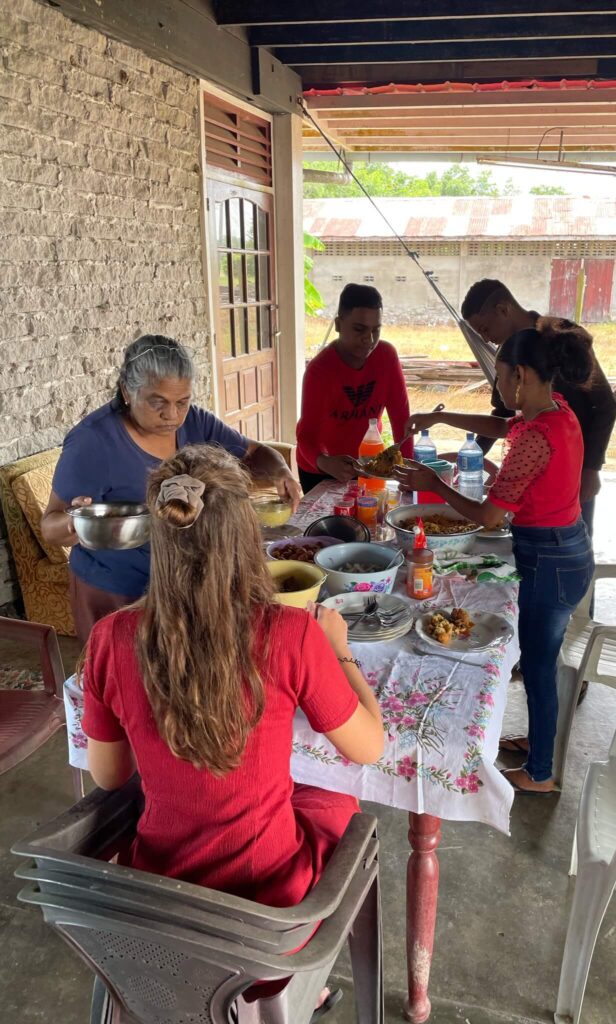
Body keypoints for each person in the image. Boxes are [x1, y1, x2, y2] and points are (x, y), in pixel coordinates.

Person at [81, 445, 384, 1019]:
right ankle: (297, 988)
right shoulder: (290, 632)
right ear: (248, 534)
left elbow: (108, 775)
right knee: (336, 802)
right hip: (270, 922)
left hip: (163, 907)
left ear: (159, 538)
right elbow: (370, 747)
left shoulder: (113, 638)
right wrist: (339, 651)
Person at [396, 320, 595, 794]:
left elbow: (488, 516)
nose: (497, 387)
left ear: (520, 376)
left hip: (551, 561)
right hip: (568, 551)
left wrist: (433, 485)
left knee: (540, 666)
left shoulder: (534, 438)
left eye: (500, 378)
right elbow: (502, 425)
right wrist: (442, 419)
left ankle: (541, 774)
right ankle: (539, 742)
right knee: (541, 658)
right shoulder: (556, 411)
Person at [41, 335, 301, 645]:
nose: (172, 415)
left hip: (183, 581)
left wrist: (280, 470)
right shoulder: (92, 443)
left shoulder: (196, 423)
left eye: (182, 401)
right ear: (127, 391)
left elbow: (254, 453)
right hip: (118, 589)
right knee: (124, 679)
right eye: (158, 402)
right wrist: (78, 523)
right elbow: (50, 527)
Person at [460, 280, 616, 539]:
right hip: (537, 468)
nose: (485, 338)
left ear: (503, 308)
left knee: (573, 534)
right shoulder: (508, 353)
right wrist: (473, 455)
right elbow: (502, 415)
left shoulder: (560, 336)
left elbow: (604, 405)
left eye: (485, 328)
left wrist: (591, 468)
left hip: (572, 468)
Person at [296, 283, 413, 494]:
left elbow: (402, 420)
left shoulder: (386, 356)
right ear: (339, 324)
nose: (368, 340)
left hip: (368, 463)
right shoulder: (319, 370)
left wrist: (409, 471)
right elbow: (306, 436)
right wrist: (325, 462)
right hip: (321, 467)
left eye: (375, 330)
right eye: (359, 329)